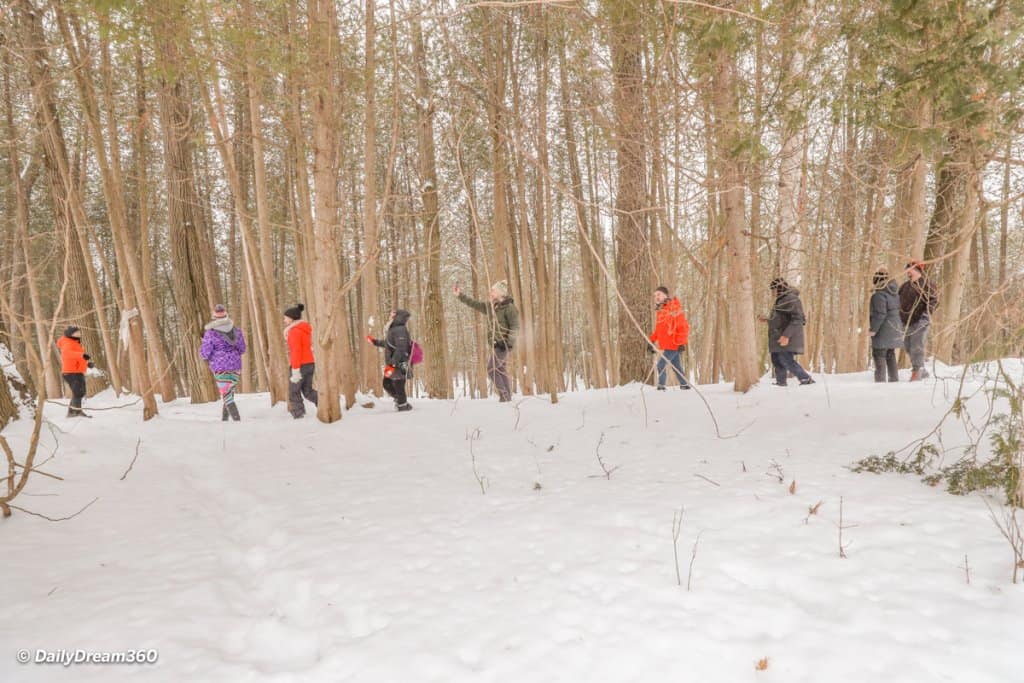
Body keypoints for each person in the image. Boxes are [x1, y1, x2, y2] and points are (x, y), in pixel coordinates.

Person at [454, 280, 520, 402]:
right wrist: (460, 295)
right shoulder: (491, 307)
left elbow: (515, 327)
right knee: (500, 369)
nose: (490, 292)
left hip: (503, 345)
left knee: (492, 369)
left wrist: (508, 344)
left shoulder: (510, 308)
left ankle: (504, 395)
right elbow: (475, 304)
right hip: (495, 345)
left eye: (493, 290)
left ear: (501, 293)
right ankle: (507, 397)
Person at [200, 304, 246, 421]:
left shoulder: (210, 333)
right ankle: (224, 419)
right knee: (229, 392)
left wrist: (204, 354)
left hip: (220, 366)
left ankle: (237, 420)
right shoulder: (236, 331)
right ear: (226, 316)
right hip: (235, 365)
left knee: (226, 394)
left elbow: (205, 353)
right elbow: (242, 349)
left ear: (214, 318)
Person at [765, 278, 814, 386]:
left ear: (779, 288)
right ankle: (781, 382)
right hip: (778, 336)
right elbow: (781, 318)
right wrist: (767, 320)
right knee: (777, 360)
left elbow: (798, 319)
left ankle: (806, 379)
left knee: (786, 360)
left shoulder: (791, 299)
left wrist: (786, 336)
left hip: (787, 337)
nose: (772, 292)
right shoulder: (781, 300)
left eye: (773, 289)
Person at [898, 260, 939, 382]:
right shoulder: (905, 286)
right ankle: (922, 370)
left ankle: (917, 371)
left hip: (921, 319)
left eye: (909, 270)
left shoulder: (927, 284)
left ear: (916, 270)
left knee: (917, 344)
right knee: (908, 346)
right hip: (906, 321)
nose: (908, 272)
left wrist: (926, 314)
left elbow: (934, 301)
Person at [366, 309, 413, 412]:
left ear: (398, 317)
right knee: (387, 383)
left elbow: (401, 348)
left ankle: (403, 407)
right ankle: (400, 402)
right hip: (395, 362)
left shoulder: (400, 329)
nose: (390, 315)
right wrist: (374, 342)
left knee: (398, 384)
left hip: (400, 363)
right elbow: (388, 344)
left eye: (393, 314)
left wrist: (392, 363)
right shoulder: (394, 329)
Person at [647, 286, 691, 390]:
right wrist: (651, 341)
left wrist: (681, 343)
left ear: (665, 295)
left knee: (661, 365)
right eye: (655, 295)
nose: (656, 297)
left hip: (674, 344)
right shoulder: (661, 311)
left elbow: (683, 326)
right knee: (677, 367)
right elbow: (659, 330)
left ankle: (661, 386)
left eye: (659, 294)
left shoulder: (673, 308)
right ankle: (684, 385)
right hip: (667, 346)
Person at [283, 303, 318, 418]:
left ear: (292, 318)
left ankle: (299, 416)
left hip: (300, 365)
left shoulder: (294, 332)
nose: (284, 320)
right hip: (310, 363)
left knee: (293, 391)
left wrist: (295, 370)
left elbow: (296, 351)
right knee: (307, 391)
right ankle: (325, 404)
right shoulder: (304, 330)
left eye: (285, 318)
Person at [869, 268, 902, 383]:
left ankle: (880, 383)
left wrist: (873, 330)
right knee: (890, 354)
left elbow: (880, 314)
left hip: (883, 330)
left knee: (879, 354)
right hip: (894, 329)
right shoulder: (895, 294)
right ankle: (894, 380)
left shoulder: (878, 296)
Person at [56, 326, 93, 418]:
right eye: (76, 333)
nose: (79, 334)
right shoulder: (67, 342)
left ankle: (74, 412)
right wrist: (82, 355)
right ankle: (75, 412)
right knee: (78, 392)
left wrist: (87, 363)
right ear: (70, 334)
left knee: (80, 392)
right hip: (70, 372)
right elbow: (67, 354)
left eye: (79, 332)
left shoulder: (75, 343)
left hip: (77, 371)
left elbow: (77, 358)